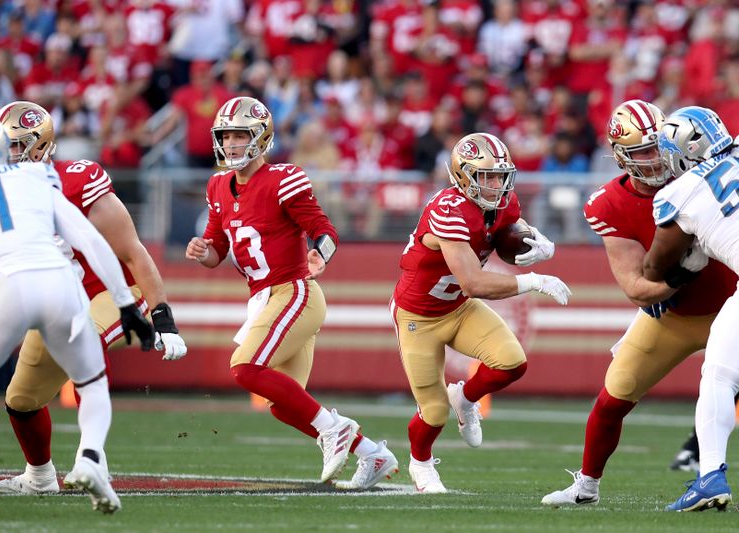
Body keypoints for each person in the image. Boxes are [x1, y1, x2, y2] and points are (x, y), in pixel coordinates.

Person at [0, 113, 154, 514]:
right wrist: (128, 304)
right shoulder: (38, 180)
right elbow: (89, 241)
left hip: (9, 291)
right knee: (84, 386)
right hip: (61, 287)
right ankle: (86, 460)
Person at [185, 96, 398, 489]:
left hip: (294, 291)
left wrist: (320, 254)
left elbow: (325, 231)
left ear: (261, 137)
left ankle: (333, 429)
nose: (231, 144)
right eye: (226, 136)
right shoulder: (217, 185)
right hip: (265, 298)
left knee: (245, 368)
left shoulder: (283, 179)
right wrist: (202, 251)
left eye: (240, 135)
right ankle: (373, 453)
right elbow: (216, 250)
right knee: (284, 406)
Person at [0, 101, 187, 496]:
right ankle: (38, 477)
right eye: (0, 145)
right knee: (21, 399)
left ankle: (93, 459)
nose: (5, 154)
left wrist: (163, 317)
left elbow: (132, 252)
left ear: (40, 148)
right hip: (55, 302)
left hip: (112, 292)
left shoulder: (78, 181)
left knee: (82, 337)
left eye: (14, 145)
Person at [542, 100, 737, 508]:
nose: (656, 159)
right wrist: (683, 272)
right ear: (618, 156)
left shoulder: (692, 179)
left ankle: (708, 475)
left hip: (730, 302)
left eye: (657, 145)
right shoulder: (607, 204)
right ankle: (587, 485)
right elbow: (636, 286)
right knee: (615, 394)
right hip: (673, 314)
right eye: (642, 152)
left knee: (719, 380)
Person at [391, 132, 571, 493]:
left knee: (511, 361)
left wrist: (536, 241)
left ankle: (466, 398)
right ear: (462, 175)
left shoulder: (503, 203)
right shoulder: (448, 210)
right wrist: (532, 279)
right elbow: (473, 281)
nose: (495, 185)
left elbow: (508, 236)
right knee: (434, 410)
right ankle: (420, 464)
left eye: (500, 176)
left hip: (458, 308)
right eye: (486, 176)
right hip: (419, 316)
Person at [643, 106, 739, 512]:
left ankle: (710, 476)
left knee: (718, 375)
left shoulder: (682, 191)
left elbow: (654, 266)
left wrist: (691, 256)